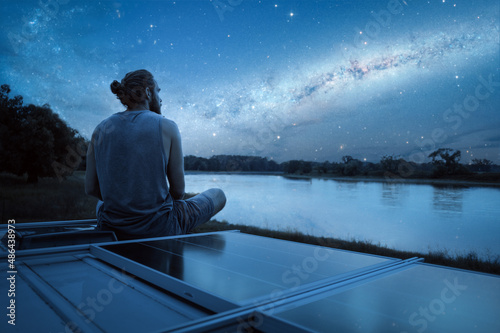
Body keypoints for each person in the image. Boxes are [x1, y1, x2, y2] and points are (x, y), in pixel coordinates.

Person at [85, 69, 226, 239]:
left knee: (102, 202)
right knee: (218, 194)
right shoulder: (167, 126)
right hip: (162, 227)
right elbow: (178, 192)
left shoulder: (100, 129)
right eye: (158, 91)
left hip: (112, 226)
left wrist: (125, 203)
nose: (161, 99)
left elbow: (91, 188)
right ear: (146, 92)